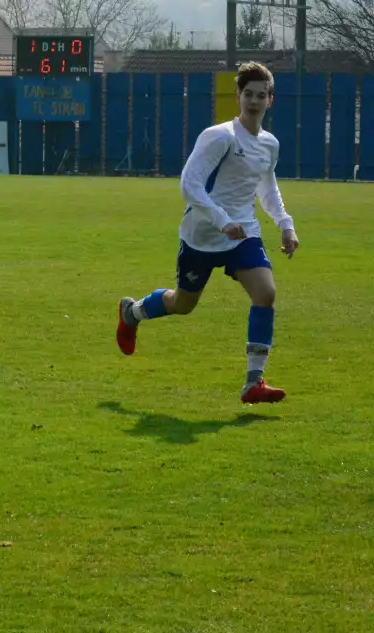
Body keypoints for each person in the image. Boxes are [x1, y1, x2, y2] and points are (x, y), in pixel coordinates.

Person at [116, 62, 299, 404]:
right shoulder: (220, 137)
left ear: (270, 100)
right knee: (182, 304)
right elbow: (189, 184)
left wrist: (285, 224)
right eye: (249, 94)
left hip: (243, 233)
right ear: (238, 96)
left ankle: (253, 383)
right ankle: (132, 313)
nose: (254, 101)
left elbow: (266, 186)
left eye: (262, 95)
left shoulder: (269, 144)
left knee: (266, 293)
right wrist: (220, 219)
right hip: (202, 235)